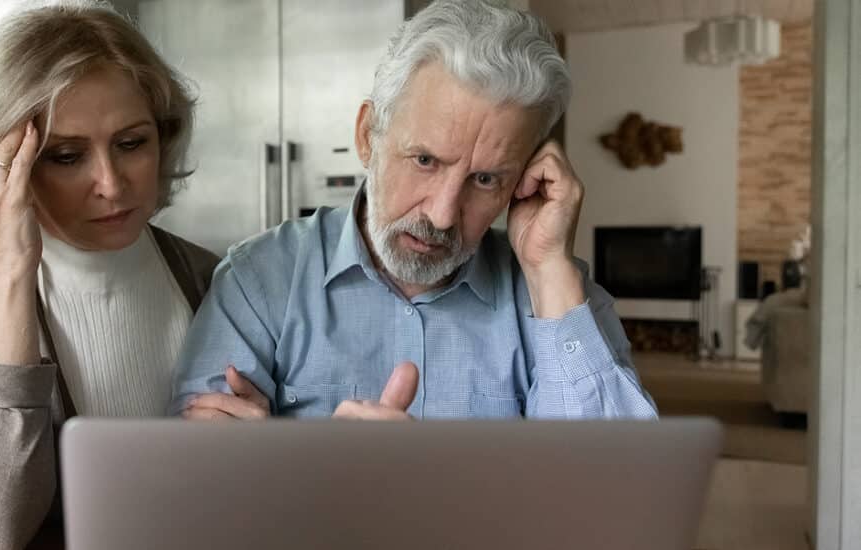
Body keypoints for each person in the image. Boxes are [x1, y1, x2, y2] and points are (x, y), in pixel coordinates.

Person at [172, 0, 656, 421]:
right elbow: (199, 488)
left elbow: (621, 492)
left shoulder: (556, 294)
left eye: (486, 179)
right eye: (425, 160)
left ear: (522, 183)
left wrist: (550, 271)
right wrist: (295, 476)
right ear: (368, 136)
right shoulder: (258, 281)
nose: (444, 215)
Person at [0, 3, 217, 548]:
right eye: (66, 156)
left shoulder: (206, 275)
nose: (111, 184)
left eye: (132, 144)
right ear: (0, 162)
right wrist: (10, 269)